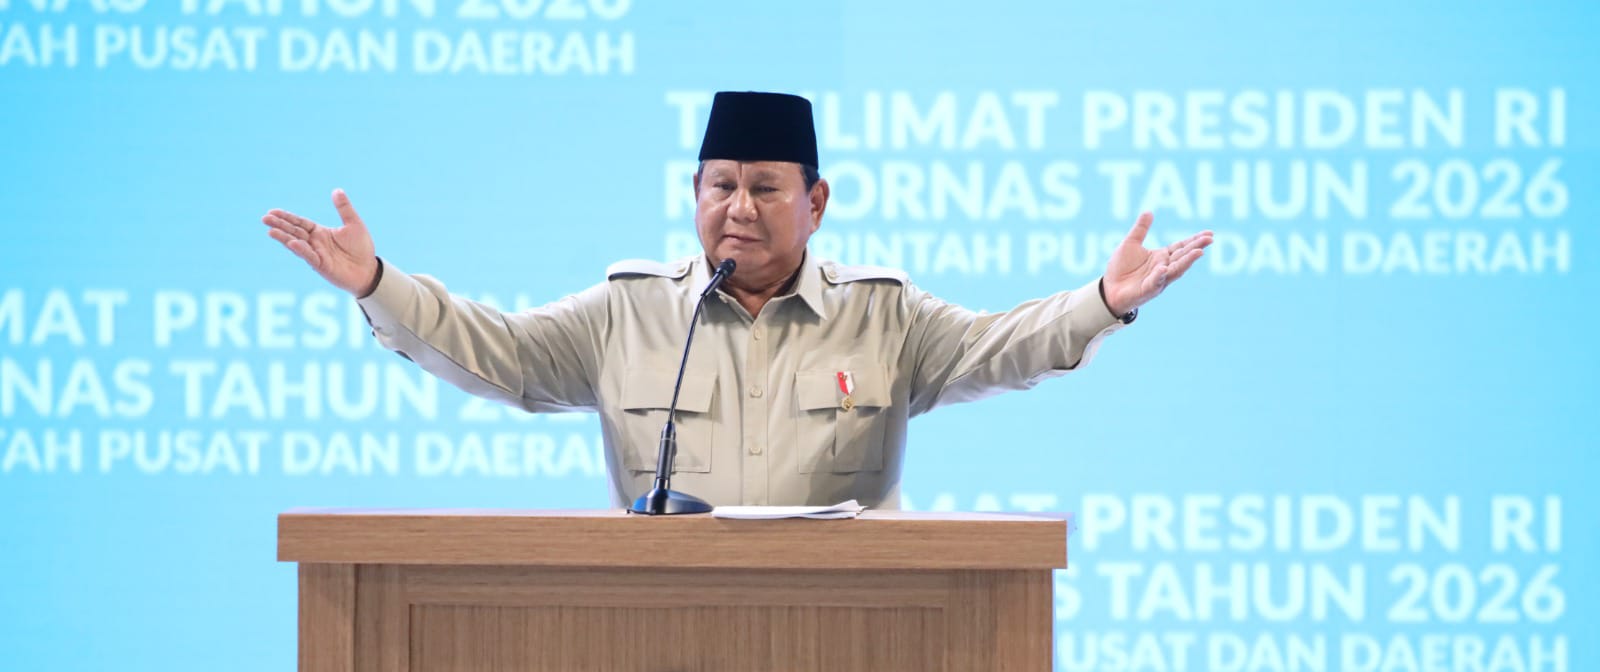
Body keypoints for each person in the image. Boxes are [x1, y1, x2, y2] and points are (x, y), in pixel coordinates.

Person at [263, 91, 1212, 510]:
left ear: (816, 203)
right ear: (694, 194)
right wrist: (379, 286)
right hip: (668, 633)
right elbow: (497, 352)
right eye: (720, 185)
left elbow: (1005, 345)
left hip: (850, 629)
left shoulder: (884, 317)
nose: (740, 208)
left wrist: (1103, 298)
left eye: (765, 187)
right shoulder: (628, 313)